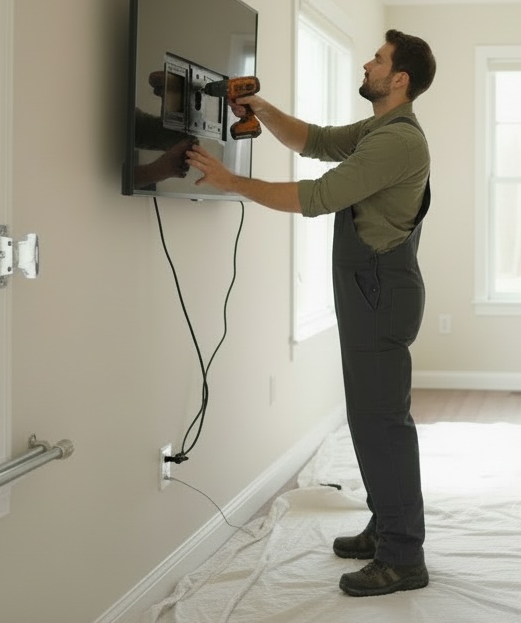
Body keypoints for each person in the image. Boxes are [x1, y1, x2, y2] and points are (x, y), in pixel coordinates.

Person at [185, 29, 435, 598]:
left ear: (399, 80)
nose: (368, 64)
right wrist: (263, 109)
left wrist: (231, 182)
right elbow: (315, 140)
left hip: (380, 291)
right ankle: (387, 526)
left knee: (383, 425)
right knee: (372, 419)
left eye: (378, 60)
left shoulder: (398, 141)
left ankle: (404, 557)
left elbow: (317, 196)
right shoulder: (379, 129)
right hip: (371, 289)